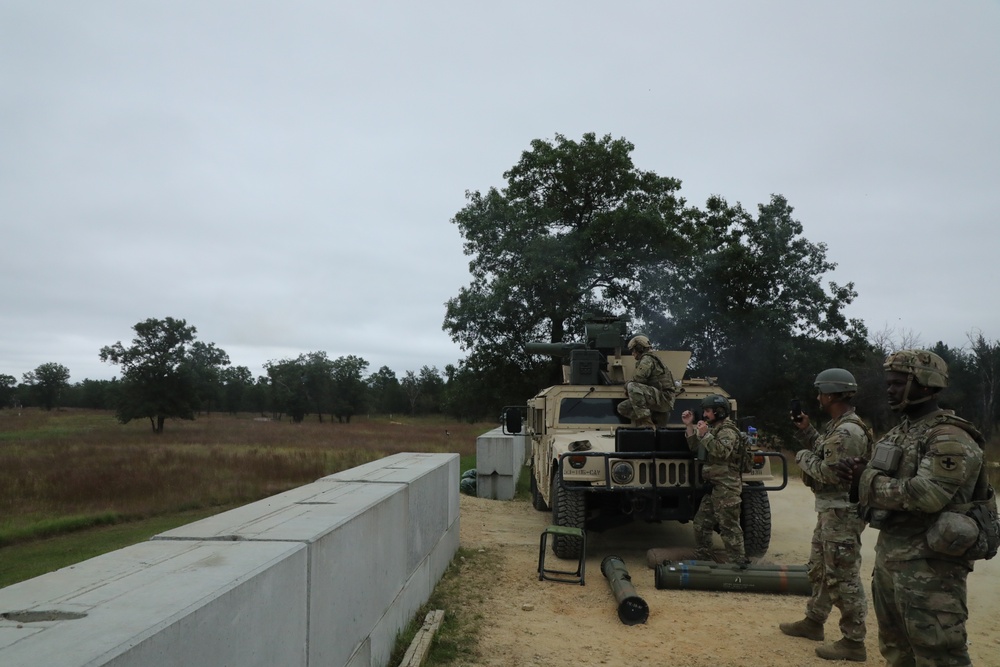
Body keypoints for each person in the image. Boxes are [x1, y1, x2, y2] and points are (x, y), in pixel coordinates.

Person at [836, 350, 985, 667]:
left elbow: (928, 495)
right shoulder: (899, 433)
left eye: (898, 383)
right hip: (893, 562)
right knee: (897, 652)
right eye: (888, 383)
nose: (889, 390)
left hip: (931, 571)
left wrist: (866, 481)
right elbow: (877, 486)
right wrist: (857, 478)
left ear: (928, 384)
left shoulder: (949, 436)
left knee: (939, 654)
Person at [779, 368, 873, 662]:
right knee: (820, 569)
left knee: (842, 576)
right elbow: (826, 451)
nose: (818, 397)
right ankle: (814, 621)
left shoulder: (848, 431)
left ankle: (853, 641)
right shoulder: (838, 427)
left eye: (820, 392)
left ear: (831, 394)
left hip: (842, 512)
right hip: (831, 511)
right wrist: (806, 431)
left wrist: (801, 456)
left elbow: (828, 471)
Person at [682, 394, 747, 564]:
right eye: (704, 411)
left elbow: (721, 452)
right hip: (714, 488)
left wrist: (705, 435)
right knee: (701, 524)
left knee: (729, 527)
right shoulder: (712, 430)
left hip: (727, 487)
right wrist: (690, 426)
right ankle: (704, 557)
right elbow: (695, 447)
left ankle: (738, 564)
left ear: (719, 412)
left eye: (708, 411)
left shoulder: (728, 431)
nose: (704, 415)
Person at [616, 335, 676, 428]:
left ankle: (647, 423)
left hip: (664, 398)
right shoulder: (653, 358)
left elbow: (638, 379)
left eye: (633, 350)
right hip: (658, 398)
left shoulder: (647, 359)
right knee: (623, 407)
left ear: (639, 348)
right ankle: (656, 418)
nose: (632, 354)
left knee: (632, 386)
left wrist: (626, 386)